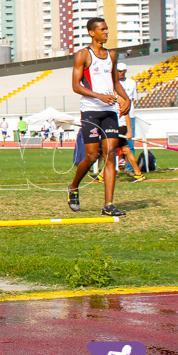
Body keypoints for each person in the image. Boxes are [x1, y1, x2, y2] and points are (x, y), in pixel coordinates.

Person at [67, 17, 130, 217]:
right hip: (91, 111)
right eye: (102, 29)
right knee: (92, 156)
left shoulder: (112, 55)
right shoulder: (83, 55)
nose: (106, 32)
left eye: (107, 29)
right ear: (91, 33)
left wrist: (125, 99)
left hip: (110, 112)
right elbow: (76, 86)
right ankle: (74, 187)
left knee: (110, 154)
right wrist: (99, 96)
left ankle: (108, 205)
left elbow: (115, 82)